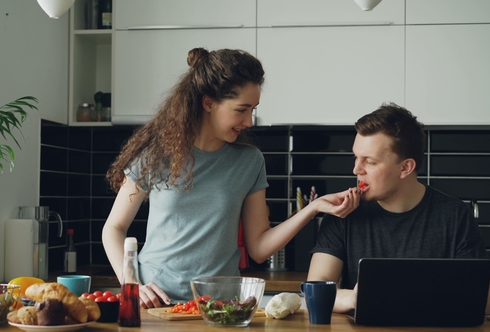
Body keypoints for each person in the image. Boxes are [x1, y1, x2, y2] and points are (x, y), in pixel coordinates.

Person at [102, 47, 361, 308]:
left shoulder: (249, 161)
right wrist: (130, 281)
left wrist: (313, 208)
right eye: (241, 110)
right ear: (208, 103)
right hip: (155, 303)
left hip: (220, 308)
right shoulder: (156, 154)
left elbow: (259, 247)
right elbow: (113, 228)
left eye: (253, 109)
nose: (249, 121)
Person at [307, 103, 490, 315]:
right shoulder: (343, 213)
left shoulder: (455, 216)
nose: (356, 169)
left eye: (370, 162)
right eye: (356, 157)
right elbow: (316, 291)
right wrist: (353, 297)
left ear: (405, 168)